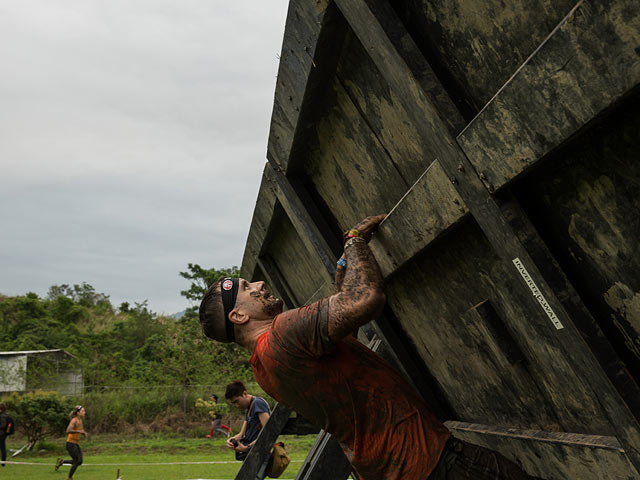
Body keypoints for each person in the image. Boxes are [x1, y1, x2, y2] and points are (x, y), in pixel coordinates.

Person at [200, 215, 541, 479]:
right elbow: (366, 298)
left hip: (390, 469)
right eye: (248, 287)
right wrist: (355, 241)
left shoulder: (263, 367)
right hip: (427, 461)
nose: (259, 284)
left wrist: (342, 283)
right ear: (239, 314)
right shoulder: (283, 333)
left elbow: (343, 351)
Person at [224, 381, 270, 461]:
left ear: (245, 393)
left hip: (260, 455)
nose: (236, 405)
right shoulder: (248, 407)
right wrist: (231, 441)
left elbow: (268, 433)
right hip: (252, 454)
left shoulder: (258, 403)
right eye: (233, 403)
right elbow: (242, 434)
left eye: (237, 401)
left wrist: (246, 448)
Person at [55, 405, 87, 479]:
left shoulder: (80, 420)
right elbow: (68, 430)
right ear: (78, 413)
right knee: (77, 460)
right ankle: (69, 477)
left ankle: (62, 462)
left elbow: (79, 430)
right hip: (70, 443)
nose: (84, 412)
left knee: (80, 461)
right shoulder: (74, 420)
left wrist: (82, 433)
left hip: (75, 443)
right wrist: (79, 431)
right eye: (83, 411)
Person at [0, 403, 8, 467]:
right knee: (2, 448)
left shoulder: (2, 416)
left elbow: (3, 425)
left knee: (2, 448)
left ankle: (3, 462)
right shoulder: (3, 415)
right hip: (2, 434)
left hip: (1, 434)